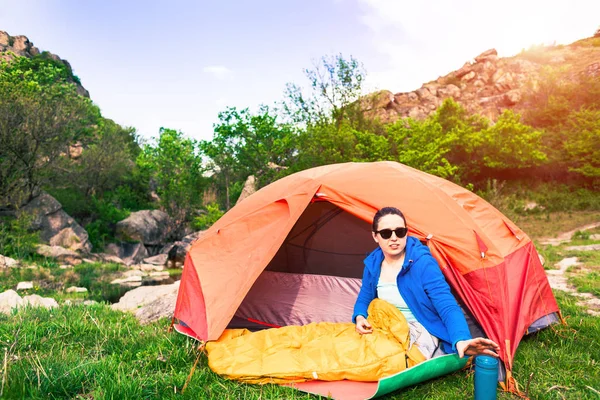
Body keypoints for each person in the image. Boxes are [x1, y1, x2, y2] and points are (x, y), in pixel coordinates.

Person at [353, 206, 499, 359]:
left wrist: (461, 339)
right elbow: (365, 297)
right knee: (350, 349)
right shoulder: (373, 264)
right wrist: (360, 317)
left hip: (418, 329)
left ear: (406, 233)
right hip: (385, 325)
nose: (394, 238)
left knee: (389, 360)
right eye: (386, 233)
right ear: (375, 236)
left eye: (400, 232)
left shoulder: (423, 264)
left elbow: (446, 304)